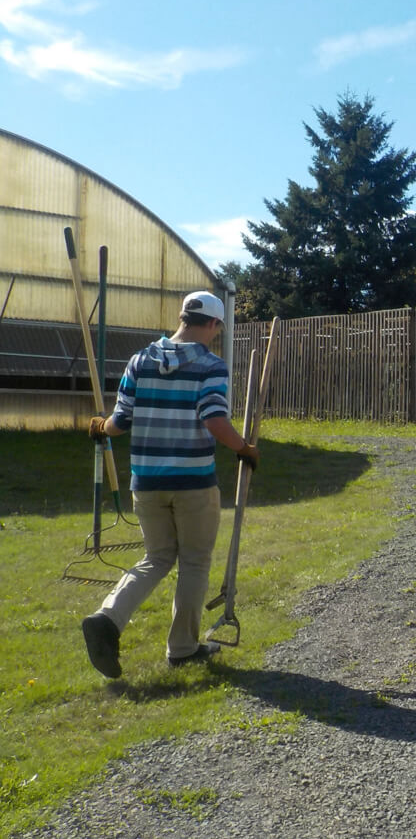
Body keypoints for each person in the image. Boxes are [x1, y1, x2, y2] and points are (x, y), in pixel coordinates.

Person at [81, 291, 260, 679]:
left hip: (145, 482)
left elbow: (119, 420)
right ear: (212, 324)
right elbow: (213, 418)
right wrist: (244, 449)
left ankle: (106, 619)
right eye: (218, 328)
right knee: (194, 561)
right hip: (193, 482)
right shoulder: (210, 365)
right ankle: (182, 649)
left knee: (157, 558)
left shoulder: (140, 360)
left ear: (182, 318)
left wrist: (100, 428)